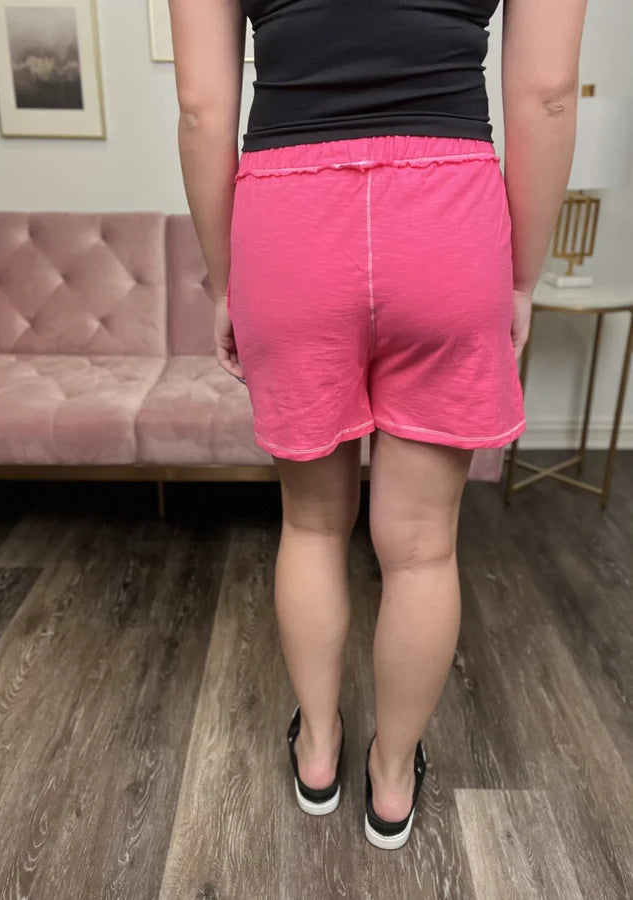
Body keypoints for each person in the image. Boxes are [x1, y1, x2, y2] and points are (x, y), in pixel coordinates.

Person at [168, 0, 587, 850]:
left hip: (288, 222)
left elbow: (202, 110)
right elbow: (546, 92)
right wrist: (518, 279)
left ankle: (318, 753)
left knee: (312, 523)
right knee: (423, 546)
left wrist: (224, 283)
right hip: (448, 215)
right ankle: (391, 782)